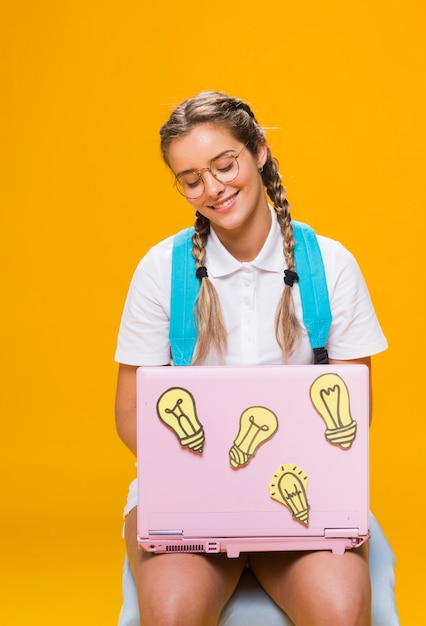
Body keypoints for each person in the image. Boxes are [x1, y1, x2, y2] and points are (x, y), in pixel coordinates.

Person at [115, 91, 388, 626]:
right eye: (192, 179)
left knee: (341, 610)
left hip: (306, 492)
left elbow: (353, 412)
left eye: (224, 165)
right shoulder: (158, 271)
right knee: (172, 613)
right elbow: (130, 415)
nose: (212, 188)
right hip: (187, 498)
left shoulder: (329, 265)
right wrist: (216, 476)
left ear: (259, 152)